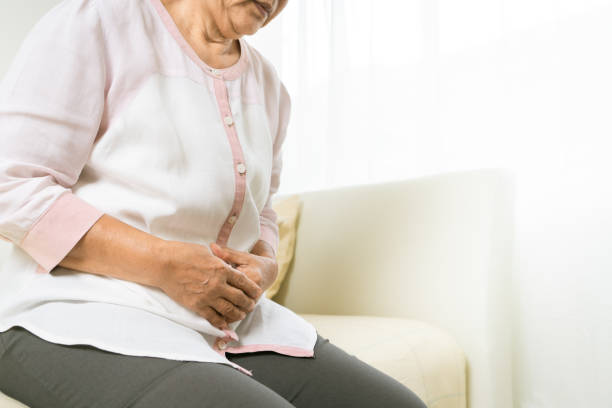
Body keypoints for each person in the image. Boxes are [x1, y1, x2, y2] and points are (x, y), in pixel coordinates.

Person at [0, 0, 428, 407]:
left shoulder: (268, 86)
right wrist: (165, 264)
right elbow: (13, 188)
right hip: (77, 312)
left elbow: (262, 211)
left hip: (224, 323)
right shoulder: (96, 24)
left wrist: (265, 263)